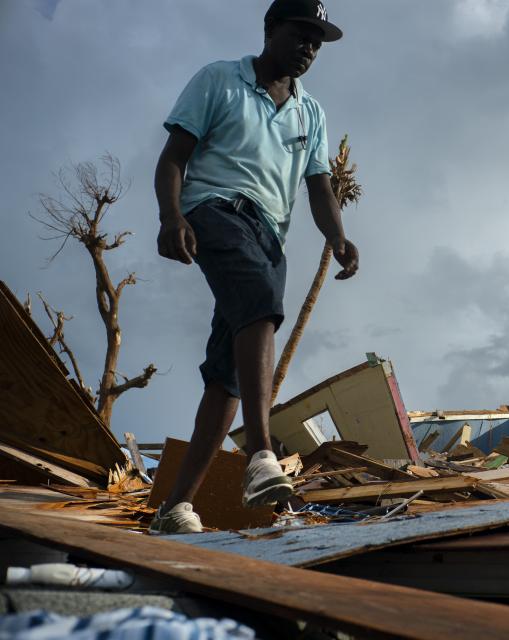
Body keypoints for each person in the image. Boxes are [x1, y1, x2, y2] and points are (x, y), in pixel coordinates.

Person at [150, 0, 358, 534]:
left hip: (271, 237)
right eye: (301, 33)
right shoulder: (219, 80)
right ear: (270, 30)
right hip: (215, 210)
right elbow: (174, 156)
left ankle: (174, 508)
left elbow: (318, 186)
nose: (309, 47)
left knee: (227, 378)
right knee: (261, 306)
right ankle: (261, 453)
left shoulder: (311, 112)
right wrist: (171, 216)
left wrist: (337, 237)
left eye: (318, 40)